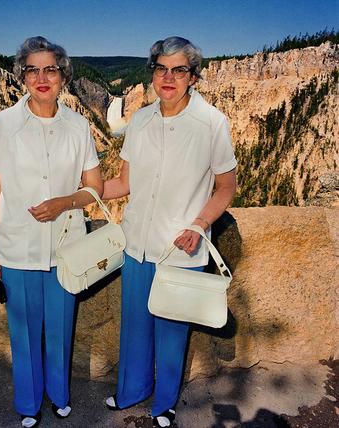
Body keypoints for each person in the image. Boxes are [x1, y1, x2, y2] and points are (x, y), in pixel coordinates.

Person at [103, 36, 237, 428]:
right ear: (153, 73)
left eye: (179, 70)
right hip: (137, 244)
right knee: (135, 326)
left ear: (193, 77)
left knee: (172, 329)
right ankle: (131, 391)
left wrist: (199, 225)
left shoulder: (212, 123)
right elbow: (123, 183)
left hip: (181, 247)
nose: (168, 77)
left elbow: (226, 186)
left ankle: (164, 404)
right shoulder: (140, 120)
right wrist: (79, 187)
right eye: (161, 68)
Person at [0, 36, 103, 428]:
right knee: (25, 335)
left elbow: (94, 187)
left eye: (50, 69)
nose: (42, 77)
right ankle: (29, 405)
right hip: (18, 250)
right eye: (33, 69)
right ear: (23, 76)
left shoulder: (78, 125)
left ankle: (60, 396)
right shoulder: (4, 124)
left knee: (61, 330)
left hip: (66, 249)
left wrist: (64, 202)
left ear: (63, 76)